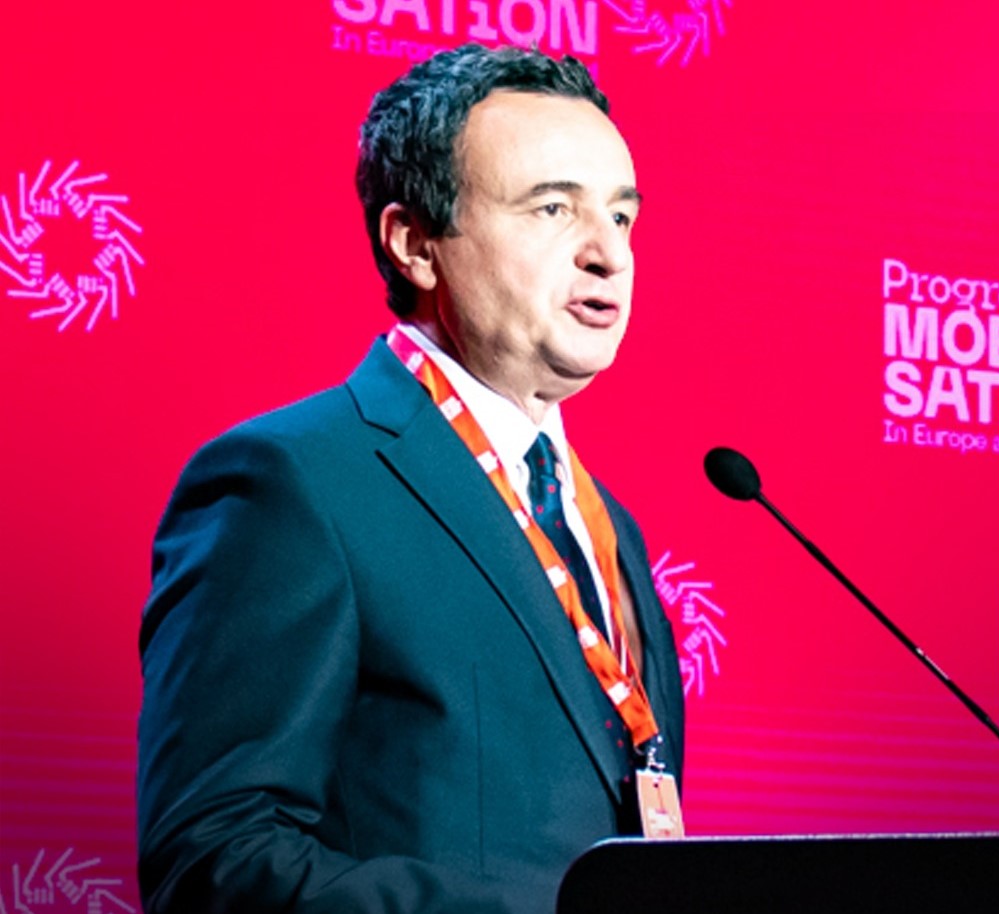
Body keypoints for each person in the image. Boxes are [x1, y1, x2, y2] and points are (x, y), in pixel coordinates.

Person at [137, 44, 684, 914]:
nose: (608, 255)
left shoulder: (608, 526)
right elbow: (212, 861)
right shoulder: (292, 483)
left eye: (621, 216)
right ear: (415, 244)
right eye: (553, 208)